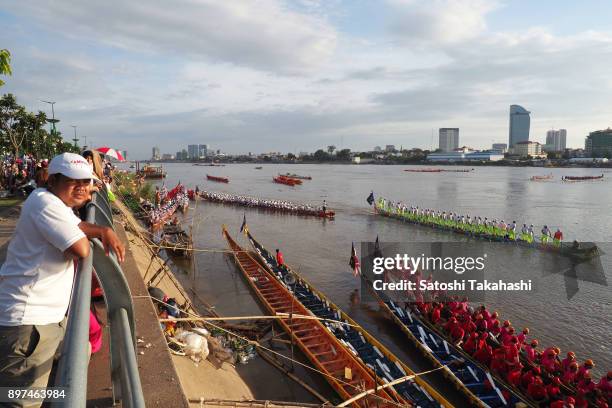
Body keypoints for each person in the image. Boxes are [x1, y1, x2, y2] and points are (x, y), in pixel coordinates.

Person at [0, 153, 125, 398]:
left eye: (86, 181)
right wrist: (96, 235)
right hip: (28, 323)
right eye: (73, 181)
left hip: (40, 319)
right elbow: (81, 248)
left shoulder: (52, 202)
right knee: (20, 400)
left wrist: (102, 229)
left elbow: (76, 226)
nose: (82, 188)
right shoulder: (45, 204)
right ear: (54, 180)